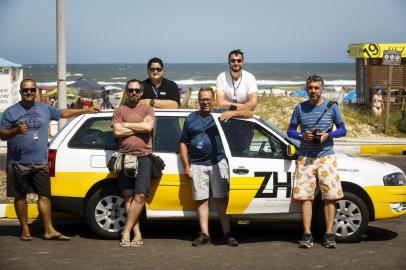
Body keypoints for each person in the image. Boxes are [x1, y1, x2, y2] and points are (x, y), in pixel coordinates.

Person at [0, 78, 100, 241]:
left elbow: (63, 113)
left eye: (32, 89)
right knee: (20, 196)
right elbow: (2, 134)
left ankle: (49, 230)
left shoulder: (44, 108)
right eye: (25, 90)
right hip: (18, 162)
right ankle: (25, 228)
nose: (29, 92)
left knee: (45, 195)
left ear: (36, 91)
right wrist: (15, 131)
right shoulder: (11, 112)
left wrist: (84, 111)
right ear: (20, 92)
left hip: (40, 161)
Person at [179, 87, 253, 247]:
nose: (205, 102)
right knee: (201, 201)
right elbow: (183, 142)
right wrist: (186, 166)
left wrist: (232, 113)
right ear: (198, 100)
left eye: (208, 99)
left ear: (213, 100)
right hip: (197, 164)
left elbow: (250, 113)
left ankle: (227, 233)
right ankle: (204, 234)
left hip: (218, 163)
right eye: (202, 99)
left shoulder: (221, 114)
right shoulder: (191, 118)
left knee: (221, 200)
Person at [287, 74, 347, 248]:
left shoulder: (332, 107)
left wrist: (329, 134)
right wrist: (301, 135)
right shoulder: (300, 108)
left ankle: (329, 234)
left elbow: (343, 130)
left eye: (316, 88)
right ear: (307, 89)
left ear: (322, 89)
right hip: (306, 156)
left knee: (330, 197)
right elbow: (291, 131)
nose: (313, 91)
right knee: (305, 198)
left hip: (326, 156)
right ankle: (307, 234)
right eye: (310, 88)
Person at [112, 79, 154, 247]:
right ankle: (136, 232)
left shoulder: (148, 109)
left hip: (144, 157)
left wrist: (126, 125)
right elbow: (116, 131)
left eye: (137, 90)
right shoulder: (119, 110)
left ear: (141, 92)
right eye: (131, 90)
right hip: (125, 157)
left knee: (140, 195)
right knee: (128, 197)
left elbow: (148, 129)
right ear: (126, 91)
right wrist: (140, 125)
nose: (134, 93)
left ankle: (126, 230)